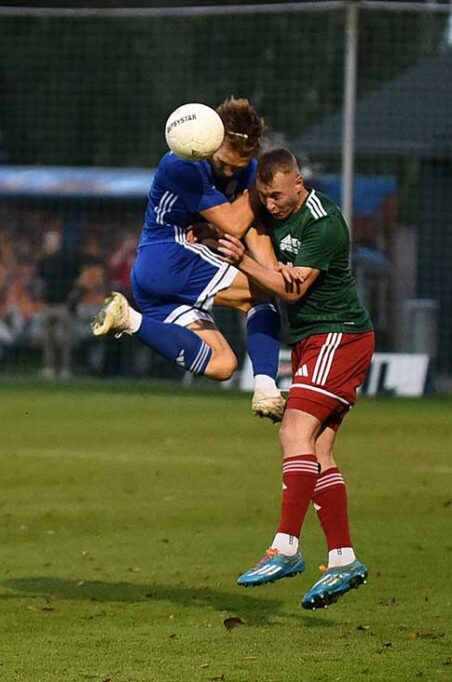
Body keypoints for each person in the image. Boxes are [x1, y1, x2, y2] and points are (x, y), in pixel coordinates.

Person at [216, 148, 374, 610]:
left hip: (338, 336)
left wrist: (246, 263)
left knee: (293, 432)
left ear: (299, 185)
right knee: (317, 450)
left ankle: (285, 547)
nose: (272, 205)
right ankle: (343, 558)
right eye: (265, 197)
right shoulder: (272, 211)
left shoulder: (324, 223)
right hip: (313, 340)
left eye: (279, 196)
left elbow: (295, 287)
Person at [90, 97, 285, 421]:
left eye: (238, 166)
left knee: (222, 365)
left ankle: (129, 319)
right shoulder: (183, 164)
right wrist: (258, 185)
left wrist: (272, 269)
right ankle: (266, 388)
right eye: (225, 163)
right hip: (171, 255)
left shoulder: (246, 171)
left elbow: (253, 227)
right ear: (213, 139)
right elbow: (236, 224)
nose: (229, 171)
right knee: (263, 293)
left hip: (153, 278)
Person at [36, 230, 82, 380]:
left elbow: (76, 281)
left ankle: (65, 368)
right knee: (47, 338)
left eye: (51, 242)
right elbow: (40, 283)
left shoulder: (67, 261)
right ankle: (48, 367)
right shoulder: (43, 262)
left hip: (63, 304)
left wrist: (71, 299)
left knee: (66, 339)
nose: (48, 245)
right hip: (48, 304)